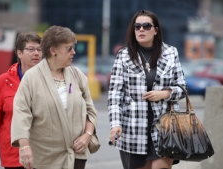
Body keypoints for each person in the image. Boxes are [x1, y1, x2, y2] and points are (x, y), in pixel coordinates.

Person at [108, 10, 187, 169]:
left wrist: (164, 94)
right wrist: (115, 124)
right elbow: (115, 94)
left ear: (156, 30)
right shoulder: (123, 55)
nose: (141, 29)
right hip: (133, 129)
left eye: (146, 26)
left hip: (165, 127)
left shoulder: (170, 53)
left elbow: (182, 87)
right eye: (137, 27)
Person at [11, 25, 98, 169]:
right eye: (69, 48)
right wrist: (24, 147)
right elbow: (21, 114)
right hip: (45, 159)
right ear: (53, 50)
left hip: (77, 155)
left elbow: (90, 110)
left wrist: (87, 135)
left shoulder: (77, 75)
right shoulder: (31, 78)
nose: (73, 52)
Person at [0, 32, 42, 169]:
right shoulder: (4, 81)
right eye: (31, 49)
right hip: (13, 157)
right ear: (19, 53)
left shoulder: (50, 80)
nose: (36, 53)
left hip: (44, 155)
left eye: (39, 49)